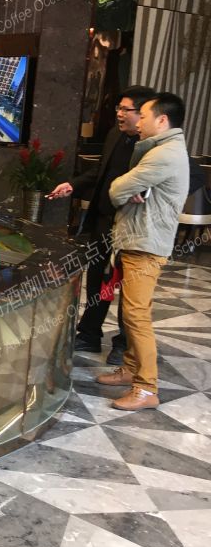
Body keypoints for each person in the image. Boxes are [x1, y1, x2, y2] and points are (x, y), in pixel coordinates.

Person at [47, 85, 153, 365]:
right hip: (104, 221)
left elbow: (188, 176)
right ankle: (90, 333)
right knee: (97, 279)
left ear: (144, 113)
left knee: (128, 288)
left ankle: (124, 344)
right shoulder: (115, 134)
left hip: (132, 227)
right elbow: (101, 171)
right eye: (119, 108)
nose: (119, 114)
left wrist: (147, 191)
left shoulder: (154, 144)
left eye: (126, 109)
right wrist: (73, 185)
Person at [96, 92, 190, 411]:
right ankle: (130, 369)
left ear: (162, 120)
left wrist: (128, 189)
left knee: (136, 316)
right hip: (139, 240)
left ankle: (147, 387)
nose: (138, 121)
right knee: (132, 311)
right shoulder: (160, 149)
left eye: (144, 116)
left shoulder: (164, 154)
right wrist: (133, 188)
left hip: (145, 244)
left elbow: (117, 189)